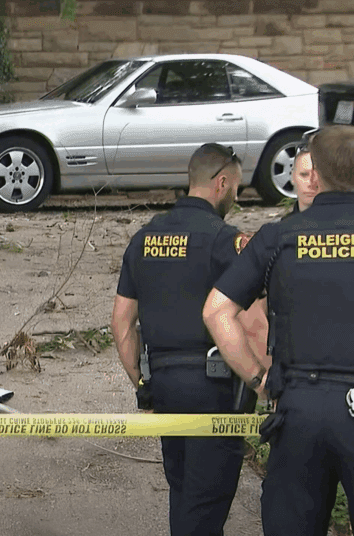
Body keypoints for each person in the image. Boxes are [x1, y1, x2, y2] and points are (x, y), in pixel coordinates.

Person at [203, 125, 354, 536]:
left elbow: (217, 311)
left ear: (315, 173)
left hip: (298, 407)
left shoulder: (278, 237)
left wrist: (258, 379)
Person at [111, 143, 267, 536]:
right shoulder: (226, 241)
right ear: (222, 183)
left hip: (163, 386)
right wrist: (263, 381)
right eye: (237, 188)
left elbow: (122, 325)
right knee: (204, 506)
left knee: (184, 495)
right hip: (214, 391)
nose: (237, 197)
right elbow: (252, 324)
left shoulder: (143, 239)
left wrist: (143, 385)